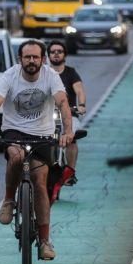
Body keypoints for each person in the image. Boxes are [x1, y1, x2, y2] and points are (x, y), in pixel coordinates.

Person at [0, 40, 74, 262]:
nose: (31, 61)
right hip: (14, 131)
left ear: (43, 59)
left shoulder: (51, 76)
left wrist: (67, 132)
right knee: (16, 156)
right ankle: (9, 200)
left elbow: (62, 102)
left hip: (42, 135)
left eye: (35, 57)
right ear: (19, 59)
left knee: (40, 182)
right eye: (27, 57)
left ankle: (44, 241)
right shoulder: (10, 76)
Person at [47, 39, 85, 183]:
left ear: (65, 55)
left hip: (69, 114)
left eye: (59, 52)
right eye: (53, 52)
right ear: (48, 55)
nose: (56, 54)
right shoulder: (44, 73)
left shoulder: (71, 72)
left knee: (72, 139)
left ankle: (70, 172)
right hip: (47, 115)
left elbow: (79, 90)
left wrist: (81, 105)